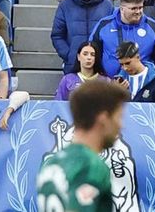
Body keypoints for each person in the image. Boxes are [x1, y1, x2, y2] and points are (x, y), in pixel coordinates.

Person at [36, 78, 127, 212]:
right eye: (119, 117)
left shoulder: (52, 163)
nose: (121, 125)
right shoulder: (89, 165)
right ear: (103, 119)